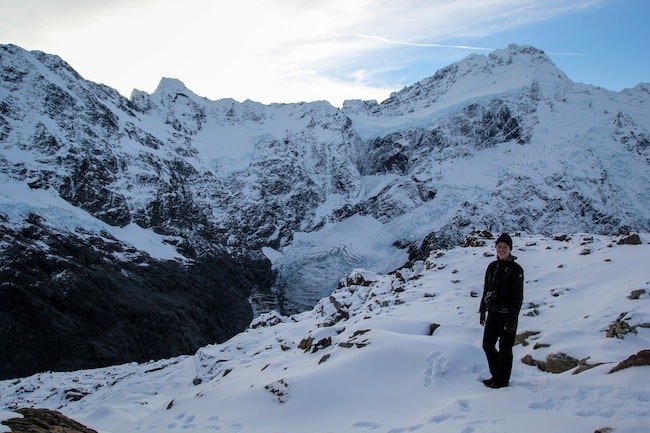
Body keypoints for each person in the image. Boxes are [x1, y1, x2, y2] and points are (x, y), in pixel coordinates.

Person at [479, 233, 524, 388]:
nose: (502, 249)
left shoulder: (516, 270)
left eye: (505, 247)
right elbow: (486, 290)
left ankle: (502, 380)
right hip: (493, 313)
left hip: (507, 316)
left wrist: (512, 318)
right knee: (487, 345)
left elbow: (518, 298)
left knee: (505, 349)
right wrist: (482, 311)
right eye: (499, 246)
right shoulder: (492, 267)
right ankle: (496, 375)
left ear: (510, 249)